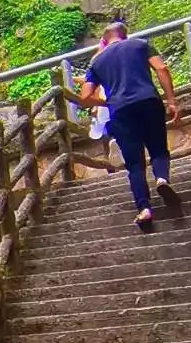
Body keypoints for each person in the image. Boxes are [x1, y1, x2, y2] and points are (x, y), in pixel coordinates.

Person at [78, 18, 181, 232]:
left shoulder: (97, 62)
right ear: (125, 34)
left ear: (105, 40)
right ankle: (162, 179)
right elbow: (161, 68)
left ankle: (144, 209)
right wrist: (171, 101)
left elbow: (85, 97)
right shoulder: (141, 45)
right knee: (159, 150)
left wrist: (107, 101)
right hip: (149, 101)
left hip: (121, 112)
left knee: (134, 164)